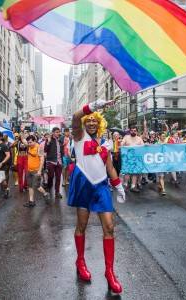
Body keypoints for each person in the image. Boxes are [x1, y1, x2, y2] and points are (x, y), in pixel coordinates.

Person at [68, 99, 125, 294]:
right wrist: (95, 105)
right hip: (84, 184)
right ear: (85, 122)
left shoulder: (105, 144)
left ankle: (110, 272)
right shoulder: (78, 135)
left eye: (95, 120)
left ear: (99, 123)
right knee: (81, 226)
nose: (91, 122)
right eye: (89, 120)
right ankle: (80, 261)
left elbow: (109, 167)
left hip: (101, 186)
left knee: (109, 227)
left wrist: (119, 186)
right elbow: (76, 116)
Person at [23, 135, 50, 207]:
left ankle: (45, 194)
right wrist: (22, 133)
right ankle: (31, 201)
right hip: (29, 170)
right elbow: (23, 140)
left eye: (30, 142)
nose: (29, 144)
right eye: (28, 143)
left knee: (37, 186)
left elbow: (42, 159)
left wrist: (40, 171)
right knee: (30, 186)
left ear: (34, 141)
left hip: (36, 170)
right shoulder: (29, 146)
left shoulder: (39, 147)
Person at [121, 126, 144, 192]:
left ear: (136, 131)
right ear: (130, 131)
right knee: (127, 172)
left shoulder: (139, 139)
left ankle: (133, 186)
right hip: (128, 158)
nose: (133, 131)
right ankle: (125, 185)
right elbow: (122, 144)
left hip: (136, 158)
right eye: (132, 130)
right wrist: (122, 143)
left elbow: (143, 147)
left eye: (134, 130)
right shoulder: (126, 137)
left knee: (135, 172)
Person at [44, 127, 63, 198]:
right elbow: (45, 150)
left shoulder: (60, 140)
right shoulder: (49, 140)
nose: (58, 133)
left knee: (58, 178)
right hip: (51, 161)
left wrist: (62, 161)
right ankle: (49, 189)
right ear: (53, 133)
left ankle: (57, 192)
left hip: (59, 161)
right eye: (57, 132)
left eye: (59, 132)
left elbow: (62, 152)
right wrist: (48, 142)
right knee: (51, 176)